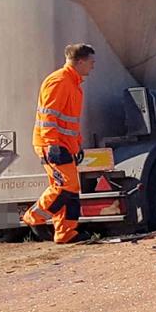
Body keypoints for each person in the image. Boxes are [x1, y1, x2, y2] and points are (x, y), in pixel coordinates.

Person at [22, 43, 95, 244]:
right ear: (79, 61)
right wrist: (51, 144)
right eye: (91, 62)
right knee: (67, 187)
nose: (93, 66)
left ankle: (65, 233)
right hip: (52, 144)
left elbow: (69, 122)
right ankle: (34, 217)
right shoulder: (59, 81)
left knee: (66, 187)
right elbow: (48, 117)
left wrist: (76, 145)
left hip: (62, 144)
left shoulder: (72, 84)